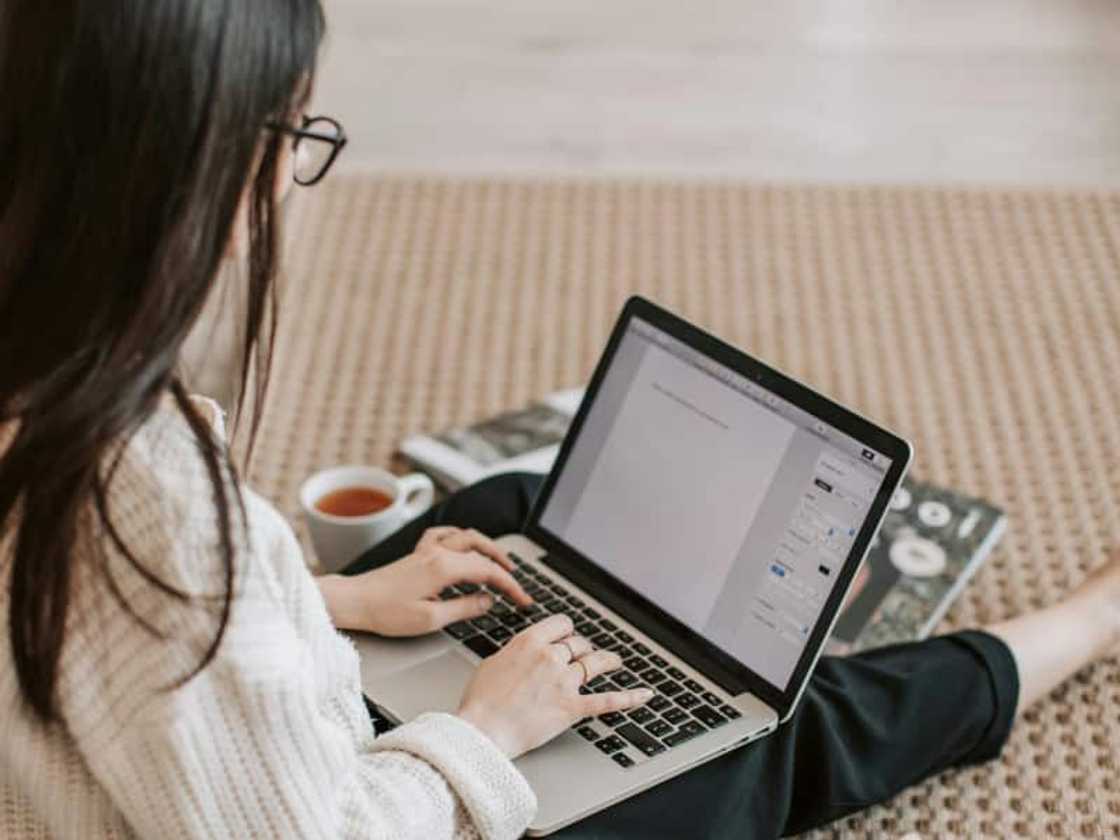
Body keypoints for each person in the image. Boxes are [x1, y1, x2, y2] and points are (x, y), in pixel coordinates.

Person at [0, 3, 1116, 838]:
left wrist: (336, 601)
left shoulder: (51, 413)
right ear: (204, 171)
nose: (297, 173)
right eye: (297, 135)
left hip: (212, 751)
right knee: (784, 731)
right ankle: (1083, 625)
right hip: (380, 800)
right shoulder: (155, 508)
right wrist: (489, 730)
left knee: (507, 517)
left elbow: (133, 657)